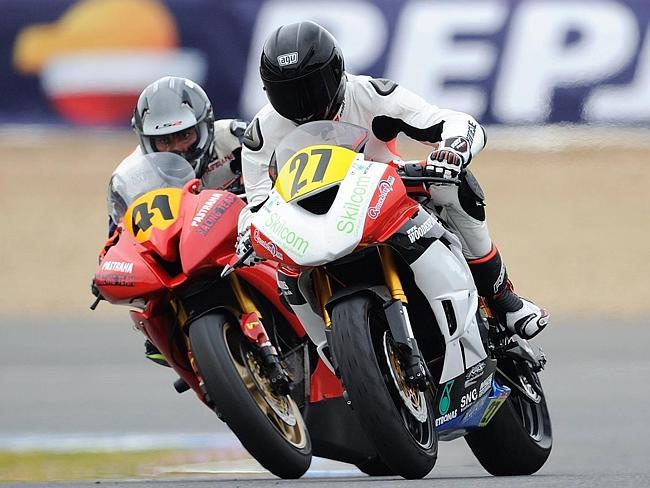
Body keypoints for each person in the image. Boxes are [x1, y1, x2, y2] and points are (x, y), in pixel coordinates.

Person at [235, 21, 548, 341]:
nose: (302, 103)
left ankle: (501, 298)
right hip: (313, 218)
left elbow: (450, 121)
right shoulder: (261, 134)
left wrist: (453, 150)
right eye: (287, 93)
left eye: (310, 87)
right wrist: (249, 231)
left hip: (386, 192)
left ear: (336, 73)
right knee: (285, 273)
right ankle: (328, 352)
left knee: (453, 185)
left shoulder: (371, 94)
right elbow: (258, 202)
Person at [97, 76, 248, 365]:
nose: (177, 147)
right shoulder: (130, 176)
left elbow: (279, 170)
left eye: (184, 135)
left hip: (247, 241)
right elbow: (118, 237)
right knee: (147, 312)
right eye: (164, 140)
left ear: (204, 127)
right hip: (186, 260)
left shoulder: (237, 137)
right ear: (147, 141)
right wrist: (107, 266)